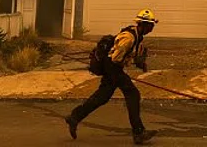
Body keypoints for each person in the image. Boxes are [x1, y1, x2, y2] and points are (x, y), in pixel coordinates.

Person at [65, 9, 158, 144]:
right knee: (133, 94)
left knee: (101, 97)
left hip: (113, 68)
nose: (152, 28)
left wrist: (139, 63)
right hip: (112, 67)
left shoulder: (137, 35)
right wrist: (124, 69)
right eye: (150, 25)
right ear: (143, 24)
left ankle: (74, 117)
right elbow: (115, 58)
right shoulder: (129, 38)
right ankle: (138, 133)